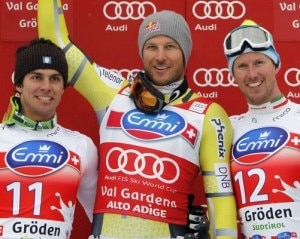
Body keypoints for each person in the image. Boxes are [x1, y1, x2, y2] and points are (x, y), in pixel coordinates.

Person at [37, 1, 238, 239]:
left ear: (185, 52)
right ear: (142, 51)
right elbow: (56, 41)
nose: (160, 57)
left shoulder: (209, 114)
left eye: (170, 46)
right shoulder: (114, 94)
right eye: (151, 46)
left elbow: (221, 200)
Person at [0, 38, 98, 239]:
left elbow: (102, 219)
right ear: (18, 83)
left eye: (55, 79)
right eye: (36, 77)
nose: (46, 87)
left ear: (63, 87)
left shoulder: (81, 146)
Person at [223, 20, 300, 238]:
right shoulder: (227, 128)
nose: (252, 74)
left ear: (276, 64)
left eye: (259, 62)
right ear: (233, 75)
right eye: (241, 66)